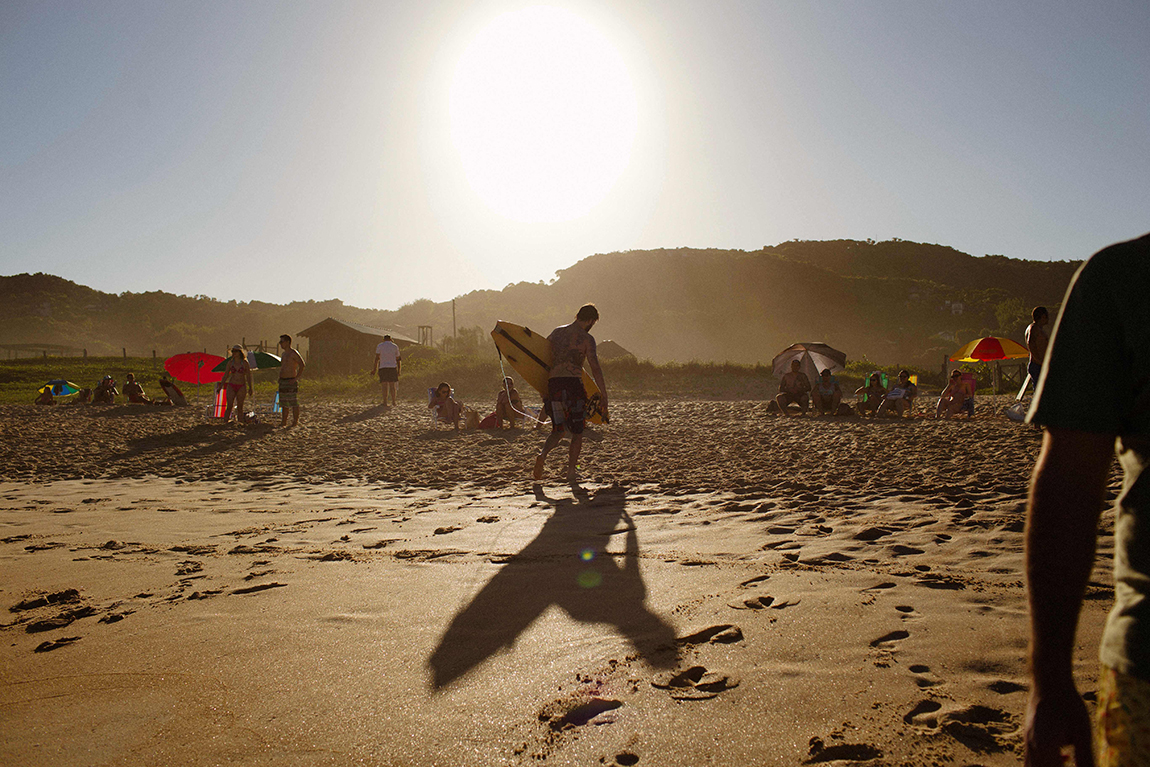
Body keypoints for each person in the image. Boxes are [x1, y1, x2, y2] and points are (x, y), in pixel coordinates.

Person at [1023, 233, 1150, 767]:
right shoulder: (1119, 280)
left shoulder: (1122, 277)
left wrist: (1049, 680)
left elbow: (1071, 484)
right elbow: (1069, 487)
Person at [534, 304, 609, 483]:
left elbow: (542, 357)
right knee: (577, 431)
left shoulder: (556, 332)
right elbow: (595, 367)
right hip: (573, 384)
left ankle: (542, 455)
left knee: (558, 430)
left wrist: (542, 389)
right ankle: (571, 472)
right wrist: (603, 394)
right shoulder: (586, 338)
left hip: (554, 383)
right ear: (591, 320)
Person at [277, 334, 305, 428]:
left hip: (291, 380)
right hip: (283, 380)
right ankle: (284, 421)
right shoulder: (284, 354)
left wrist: (296, 378)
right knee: (284, 402)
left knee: (293, 402)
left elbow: (302, 364)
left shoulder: (293, 353)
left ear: (288, 342)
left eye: (282, 342)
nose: (280, 344)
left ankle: (295, 421)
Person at [222, 345, 253, 421]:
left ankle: (240, 421)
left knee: (240, 406)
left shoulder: (245, 363)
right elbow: (226, 375)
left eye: (236, 351)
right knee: (229, 405)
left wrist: (250, 387)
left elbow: (248, 376)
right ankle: (225, 421)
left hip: (241, 385)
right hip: (232, 384)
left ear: (240, 352)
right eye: (233, 351)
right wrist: (221, 386)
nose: (234, 353)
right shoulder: (230, 363)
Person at [1025, 306, 1050, 393]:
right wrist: (1039, 361)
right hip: (1037, 365)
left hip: (1040, 364)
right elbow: (1031, 345)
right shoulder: (1034, 328)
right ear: (1043, 316)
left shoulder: (1039, 329)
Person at [372, 334, 401, 406]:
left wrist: (374, 369)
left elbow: (376, 359)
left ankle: (385, 401)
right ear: (391, 339)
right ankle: (393, 401)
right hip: (392, 367)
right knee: (392, 386)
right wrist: (399, 370)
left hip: (383, 367)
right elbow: (398, 359)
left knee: (384, 386)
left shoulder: (380, 346)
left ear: (383, 339)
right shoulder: (395, 346)